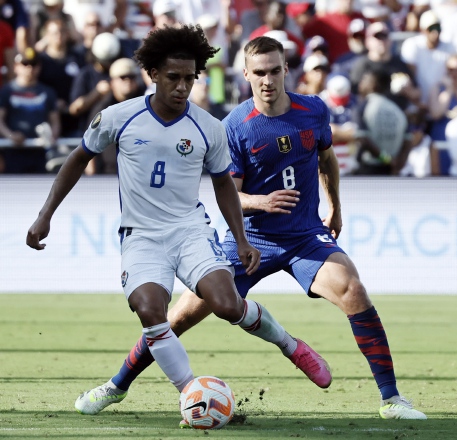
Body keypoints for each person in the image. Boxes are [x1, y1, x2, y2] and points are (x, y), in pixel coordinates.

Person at [73, 35, 427, 421]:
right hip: (252, 239)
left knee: (353, 290)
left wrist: (335, 206)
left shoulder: (313, 111)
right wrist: (263, 202)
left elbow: (327, 159)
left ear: (286, 70)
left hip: (305, 236)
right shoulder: (234, 127)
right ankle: (116, 386)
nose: (268, 80)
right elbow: (229, 194)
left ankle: (392, 400)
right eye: (259, 73)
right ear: (245, 75)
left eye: (275, 71)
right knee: (175, 320)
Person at [26, 25, 330, 423]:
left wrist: (240, 238)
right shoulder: (119, 116)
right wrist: (45, 214)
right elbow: (77, 160)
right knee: (152, 309)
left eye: (190, 78)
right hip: (142, 236)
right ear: (152, 74)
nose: (183, 86)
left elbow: (223, 183)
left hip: (191, 231)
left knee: (226, 305)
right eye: (173, 77)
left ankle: (290, 345)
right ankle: (192, 394)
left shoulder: (209, 127)